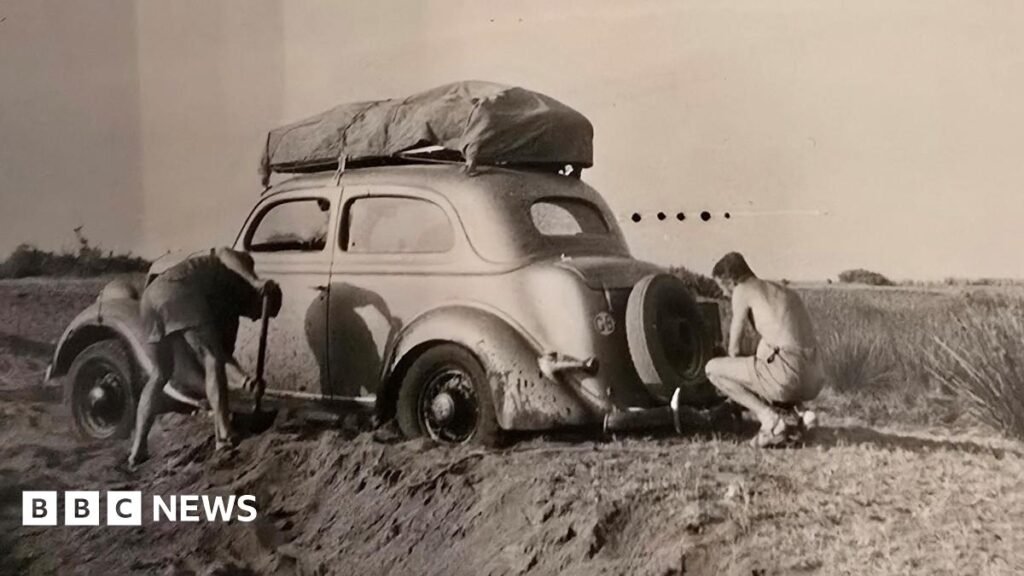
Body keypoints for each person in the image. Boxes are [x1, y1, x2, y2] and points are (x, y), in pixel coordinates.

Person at [128, 247, 279, 466]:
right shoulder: (238, 271)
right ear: (255, 298)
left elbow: (223, 358)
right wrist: (255, 281)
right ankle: (224, 437)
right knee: (211, 359)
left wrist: (246, 383)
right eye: (259, 313)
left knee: (160, 373)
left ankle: (138, 449)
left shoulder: (226, 307)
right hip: (177, 290)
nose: (256, 318)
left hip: (151, 298)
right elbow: (224, 252)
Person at [704, 252, 824, 447]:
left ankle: (771, 421)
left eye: (722, 288)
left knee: (712, 369)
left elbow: (734, 350)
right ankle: (804, 414)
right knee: (765, 349)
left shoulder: (742, 290)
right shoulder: (782, 290)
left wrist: (738, 389)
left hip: (787, 376)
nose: (725, 294)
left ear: (730, 281)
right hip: (814, 376)